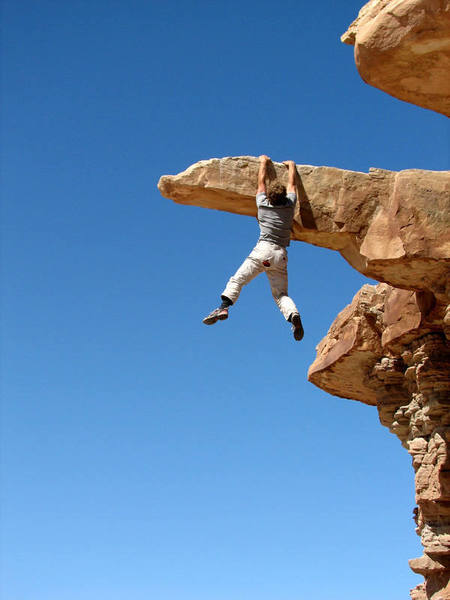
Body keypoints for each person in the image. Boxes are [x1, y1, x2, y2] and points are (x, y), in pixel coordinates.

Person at [203, 155, 304, 341]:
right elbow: (293, 186)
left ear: (270, 197)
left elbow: (261, 183)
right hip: (280, 254)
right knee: (281, 294)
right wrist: (292, 167)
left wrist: (263, 162)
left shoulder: (263, 206)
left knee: (238, 280)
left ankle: (224, 306)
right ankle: (293, 316)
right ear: (283, 196)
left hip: (263, 250)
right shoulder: (289, 206)